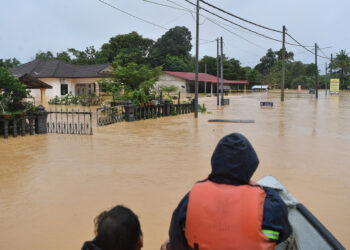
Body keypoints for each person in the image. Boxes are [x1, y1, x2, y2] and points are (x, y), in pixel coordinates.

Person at [161, 133, 292, 250]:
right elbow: (285, 233)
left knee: (166, 246)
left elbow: (176, 238)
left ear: (215, 161)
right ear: (251, 165)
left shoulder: (191, 198)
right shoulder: (268, 202)